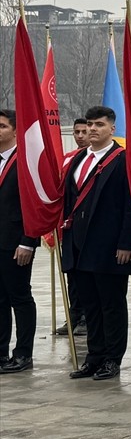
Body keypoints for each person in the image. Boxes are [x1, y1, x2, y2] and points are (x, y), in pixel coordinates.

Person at [60, 106, 131, 382]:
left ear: (112, 129)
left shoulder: (123, 159)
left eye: (99, 125)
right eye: (90, 124)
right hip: (78, 244)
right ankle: (93, 357)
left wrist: (126, 243)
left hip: (109, 245)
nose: (92, 129)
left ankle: (112, 359)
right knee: (89, 305)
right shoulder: (78, 159)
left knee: (111, 305)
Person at [0, 109, 39, 374]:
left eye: (2, 126)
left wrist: (28, 241)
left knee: (20, 298)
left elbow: (33, 205)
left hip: (15, 243)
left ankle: (23, 353)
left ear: (15, 130)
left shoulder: (25, 161)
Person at [54, 117, 93, 338]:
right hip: (69, 225)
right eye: (76, 132)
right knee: (72, 274)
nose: (80, 136)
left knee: (87, 274)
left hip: (88, 227)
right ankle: (75, 314)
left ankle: (87, 316)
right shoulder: (68, 159)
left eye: (84, 131)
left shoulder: (101, 159)